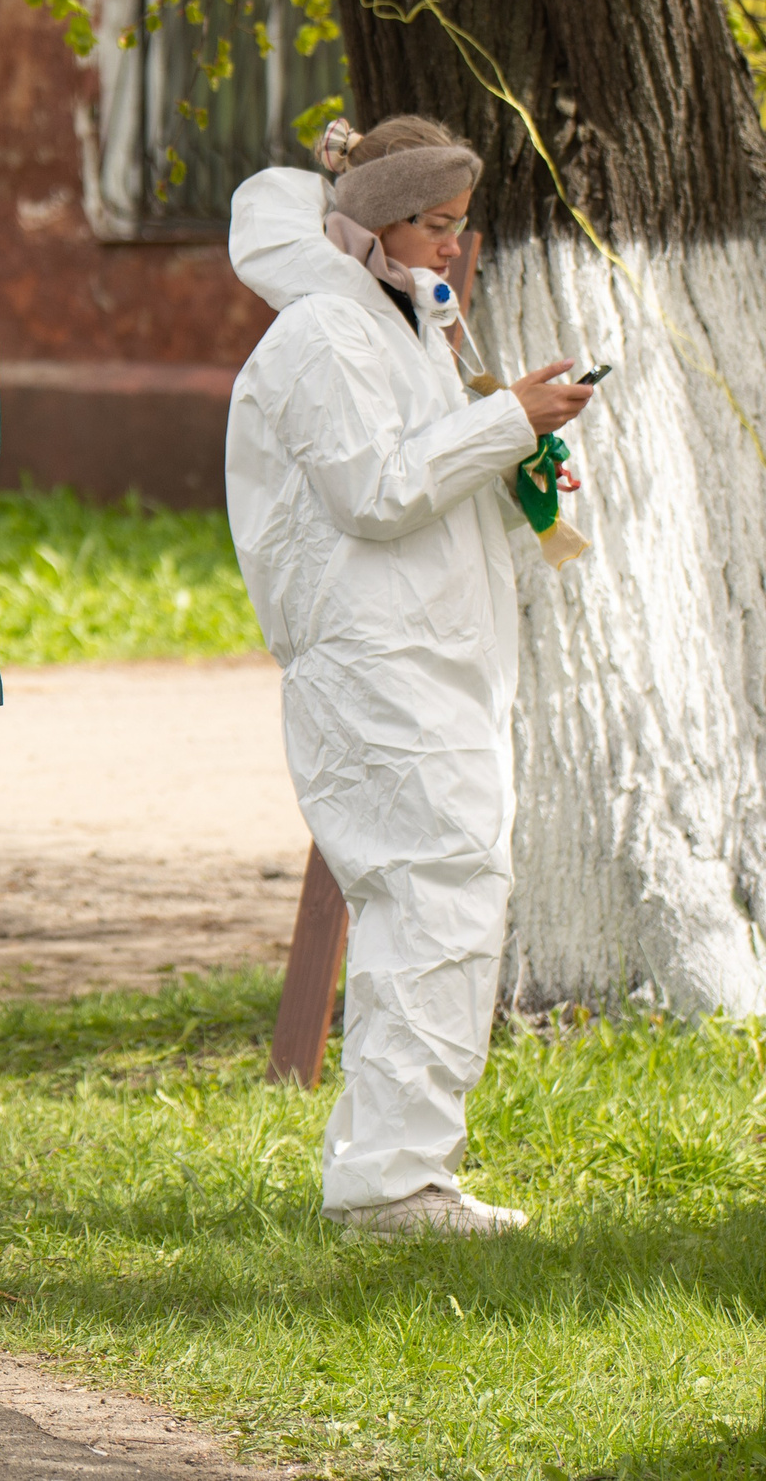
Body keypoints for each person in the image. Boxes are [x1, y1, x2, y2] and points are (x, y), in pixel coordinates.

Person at [226, 115, 593, 1239]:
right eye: (433, 224)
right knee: (430, 895)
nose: (449, 245)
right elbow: (373, 493)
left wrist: (522, 453)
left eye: (456, 224)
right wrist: (499, 423)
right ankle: (390, 1181)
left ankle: (397, 1170)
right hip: (374, 661)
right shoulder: (323, 335)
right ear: (374, 220)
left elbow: (427, 479)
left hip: (432, 656)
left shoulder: (407, 326)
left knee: (445, 894)